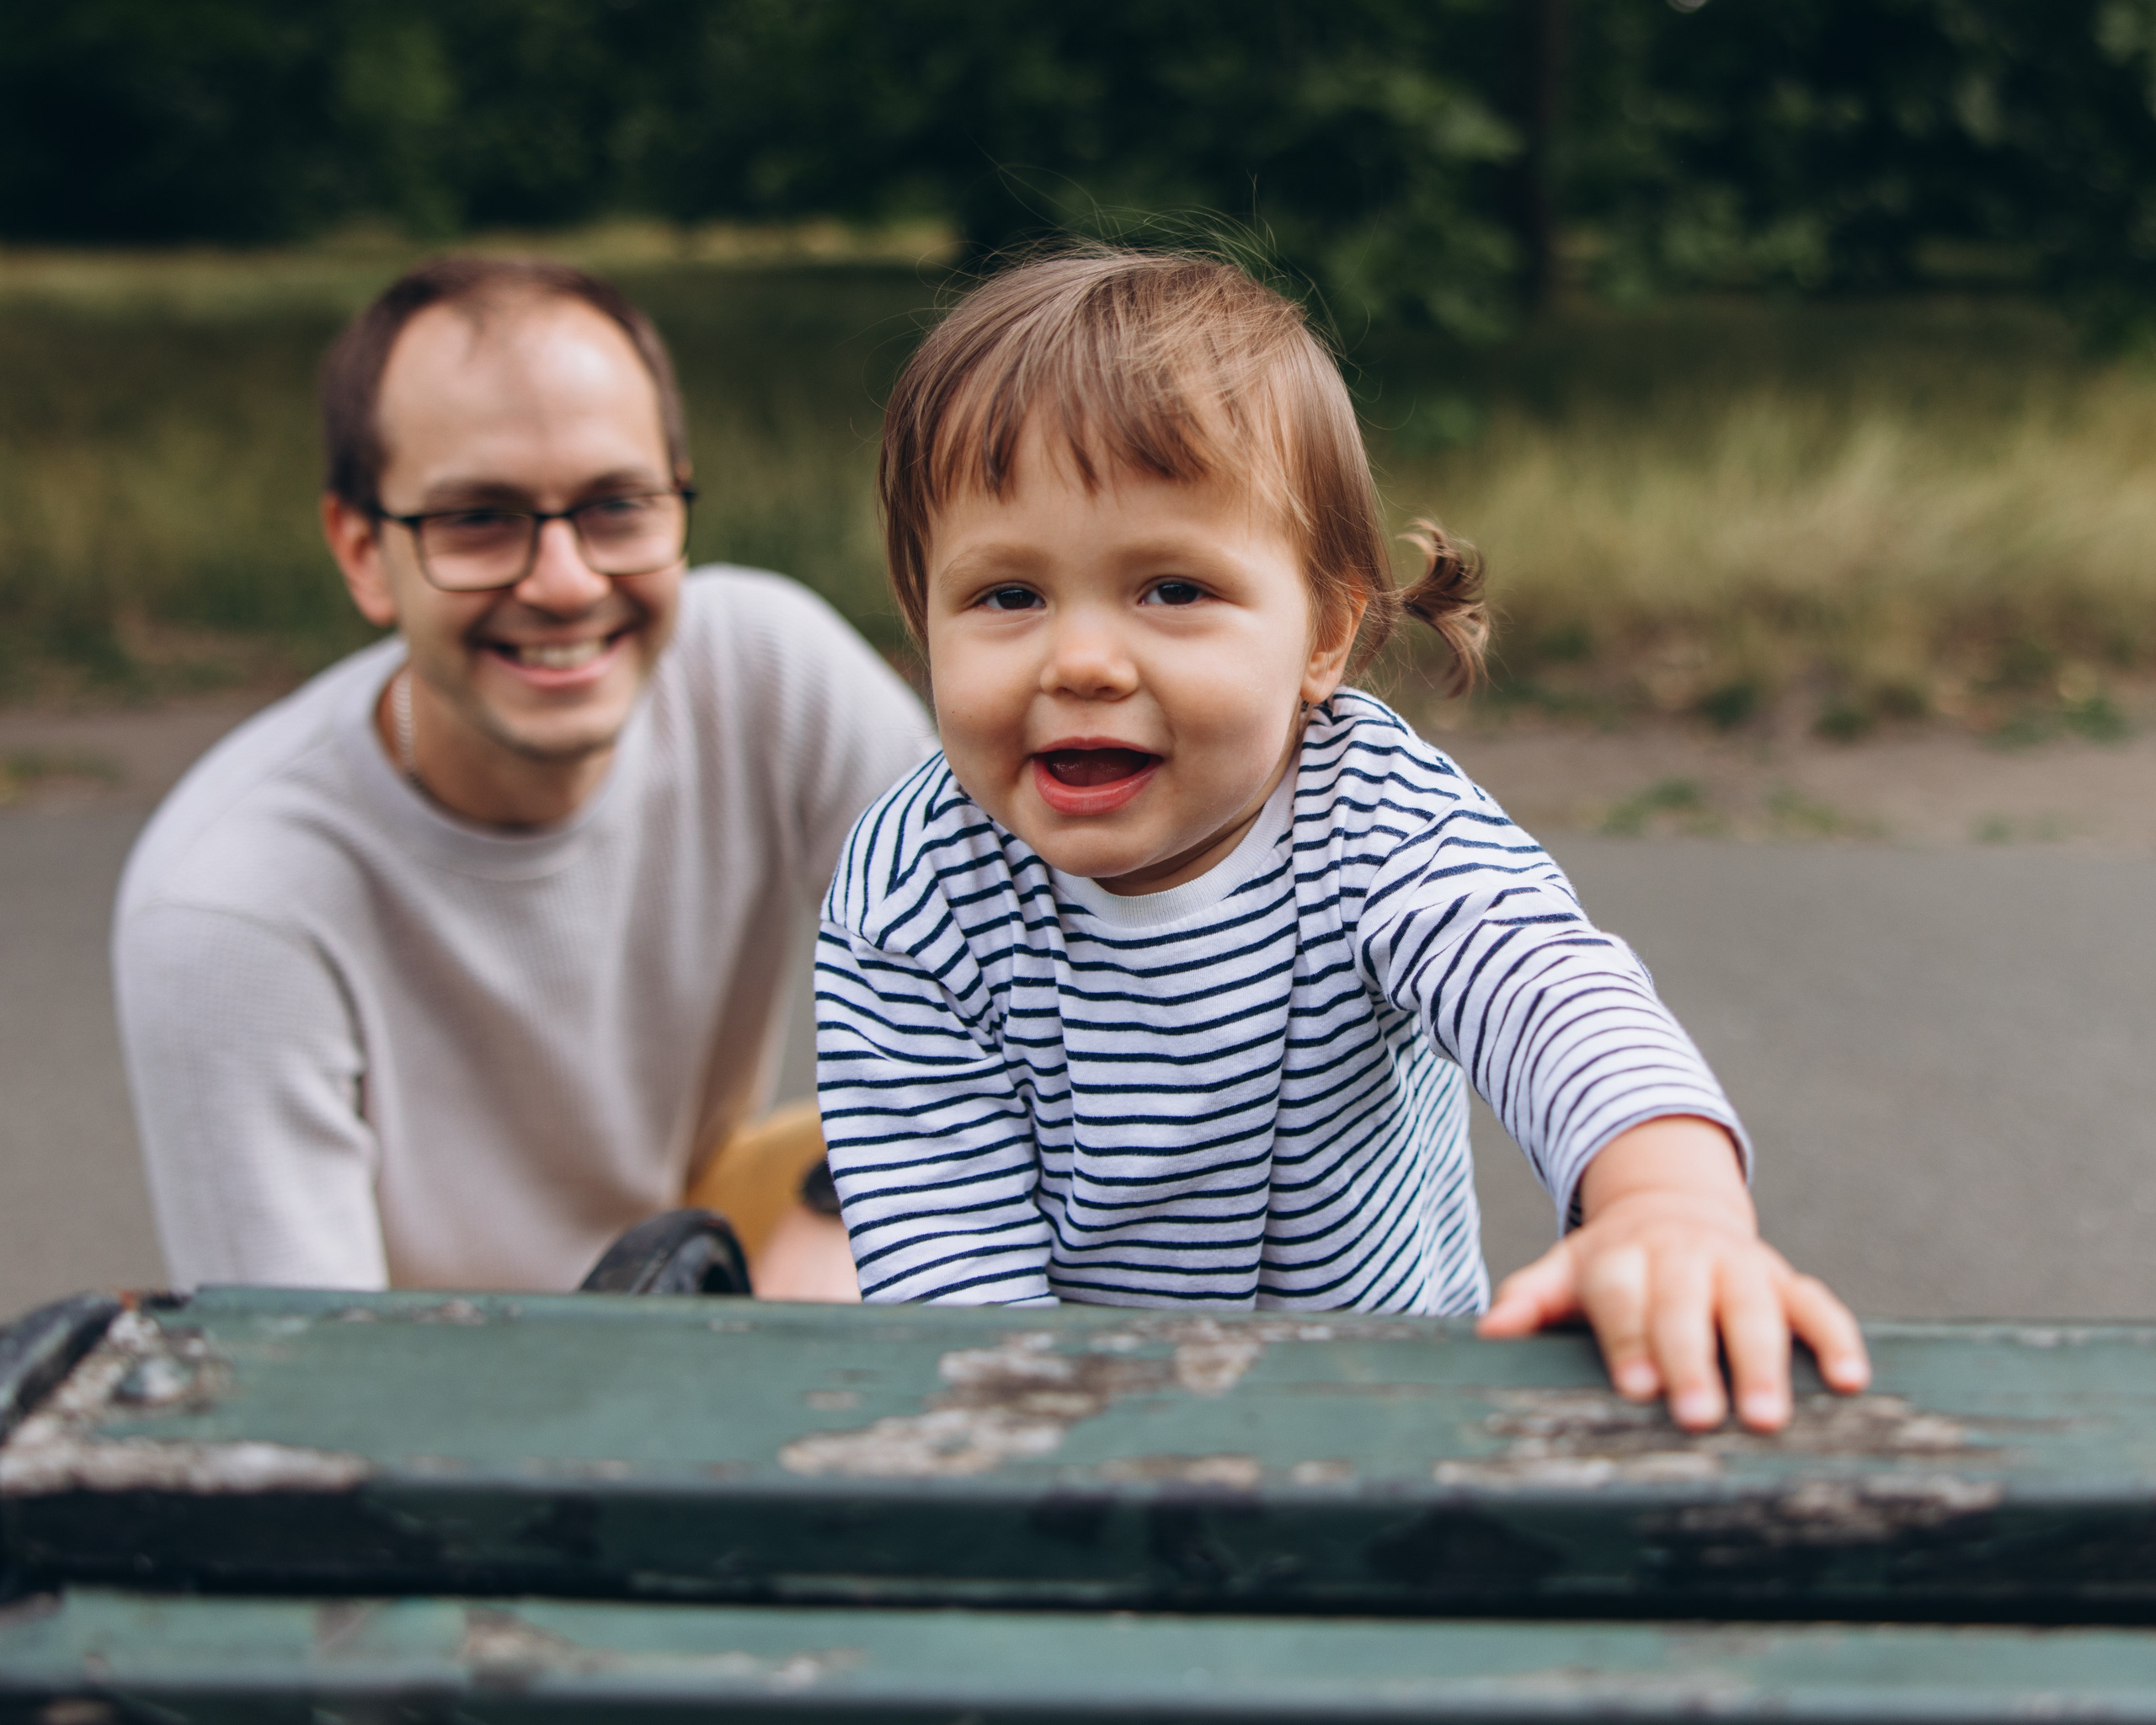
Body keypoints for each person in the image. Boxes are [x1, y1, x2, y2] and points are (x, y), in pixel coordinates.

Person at [814, 248, 1869, 1431]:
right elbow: (946, 1264)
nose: (1083, 663)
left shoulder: (1374, 817)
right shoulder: (914, 891)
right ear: (923, 623)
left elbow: (1551, 992)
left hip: (1387, 1410)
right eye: (1007, 596)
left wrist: (1666, 1206)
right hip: (1076, 1426)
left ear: (1323, 632)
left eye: (1171, 588)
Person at [114, 256, 934, 1295]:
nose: (564, 581)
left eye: (616, 506)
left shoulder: (768, 667)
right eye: (478, 518)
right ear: (363, 549)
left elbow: (1009, 971)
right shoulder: (229, 901)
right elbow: (302, 1390)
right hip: (433, 1371)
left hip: (691, 1246)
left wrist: (833, 1210)